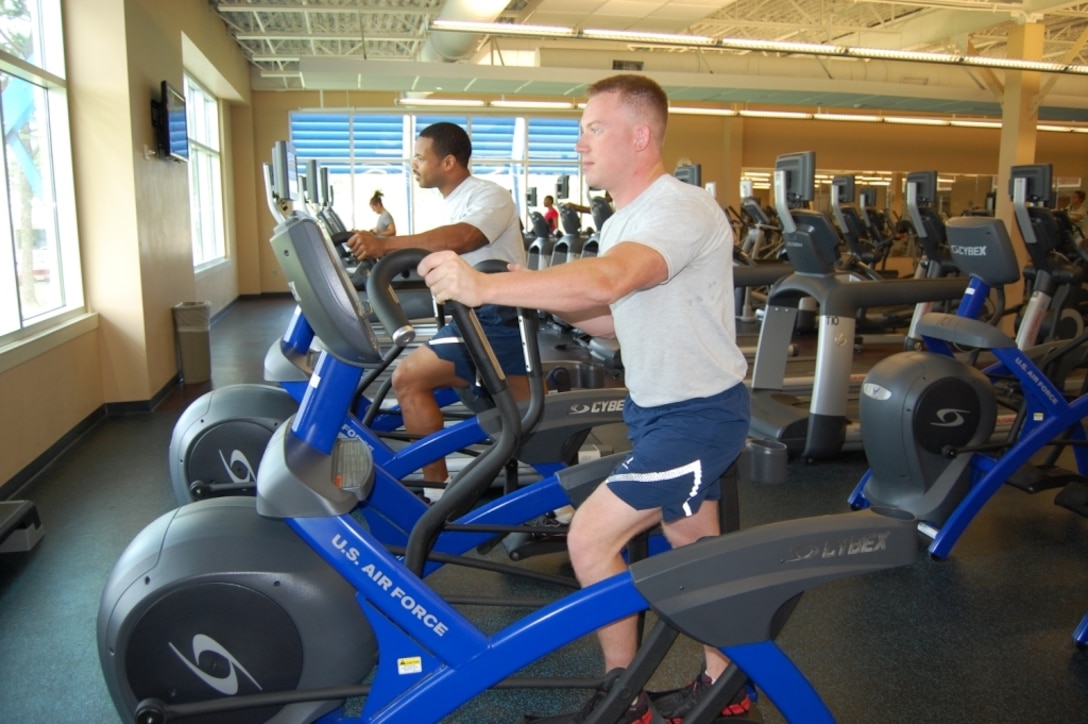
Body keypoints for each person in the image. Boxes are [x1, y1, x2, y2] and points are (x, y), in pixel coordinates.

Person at [419, 75, 751, 722]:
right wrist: (532, 289)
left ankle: (622, 696)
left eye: (594, 128)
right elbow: (609, 313)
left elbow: (615, 276)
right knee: (698, 556)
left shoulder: (676, 208)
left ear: (641, 135)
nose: (580, 143)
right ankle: (727, 685)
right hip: (660, 412)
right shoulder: (626, 216)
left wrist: (486, 291)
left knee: (592, 541)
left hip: (698, 416)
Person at [346, 122, 531, 495]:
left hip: (495, 318)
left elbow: (463, 238)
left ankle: (433, 496)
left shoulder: (489, 195)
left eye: (419, 157)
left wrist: (386, 245)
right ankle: (560, 498)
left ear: (448, 162)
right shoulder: (457, 201)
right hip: (478, 317)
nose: (412, 164)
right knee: (527, 415)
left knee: (407, 379)